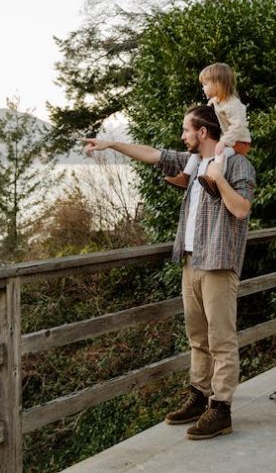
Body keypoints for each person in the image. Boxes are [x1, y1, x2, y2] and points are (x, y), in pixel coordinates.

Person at [82, 104, 256, 440]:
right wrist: (111, 144)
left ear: (203, 132)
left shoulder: (235, 163)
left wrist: (218, 180)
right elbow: (152, 154)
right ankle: (199, 395)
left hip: (218, 263)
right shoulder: (193, 164)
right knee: (197, 338)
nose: (182, 136)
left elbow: (242, 208)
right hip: (191, 261)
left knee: (221, 340)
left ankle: (221, 409)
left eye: (186, 130)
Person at [164, 63, 251, 197]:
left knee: (221, 154)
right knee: (198, 151)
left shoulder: (234, 105)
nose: (203, 88)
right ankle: (185, 177)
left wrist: (224, 142)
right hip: (226, 140)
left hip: (239, 142)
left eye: (205, 84)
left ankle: (215, 180)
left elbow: (237, 127)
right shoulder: (216, 101)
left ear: (217, 84)